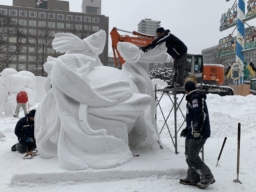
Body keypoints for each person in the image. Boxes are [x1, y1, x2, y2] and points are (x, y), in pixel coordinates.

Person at [180, 80, 215, 189]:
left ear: (187, 90)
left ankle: (208, 176)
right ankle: (193, 178)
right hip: (192, 131)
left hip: (198, 133)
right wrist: (188, 129)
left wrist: (197, 130)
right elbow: (192, 117)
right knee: (188, 154)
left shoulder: (195, 97)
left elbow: (199, 115)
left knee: (192, 157)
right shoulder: (193, 97)